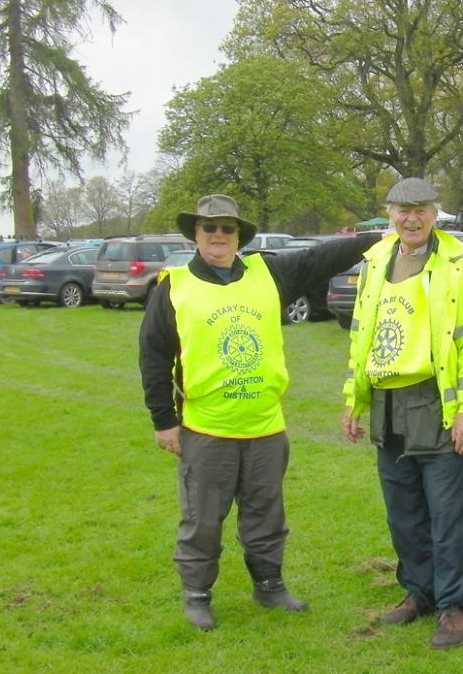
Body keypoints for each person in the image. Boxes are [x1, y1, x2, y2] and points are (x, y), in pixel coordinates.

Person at [139, 194, 375, 631]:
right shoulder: (174, 287)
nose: (218, 236)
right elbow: (154, 357)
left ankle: (269, 586)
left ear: (238, 236)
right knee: (203, 519)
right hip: (207, 428)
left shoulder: (269, 274)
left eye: (227, 228)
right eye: (209, 228)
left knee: (266, 514)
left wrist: (381, 237)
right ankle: (197, 595)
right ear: (196, 233)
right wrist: (163, 420)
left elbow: (321, 257)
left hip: (266, 426)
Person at [341, 177, 463, 651]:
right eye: (402, 210)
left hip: (434, 402)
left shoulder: (459, 269)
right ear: (389, 213)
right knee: (404, 513)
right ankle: (419, 594)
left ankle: (452, 606)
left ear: (435, 214)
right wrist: (355, 398)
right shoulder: (374, 263)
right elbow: (360, 337)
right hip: (387, 404)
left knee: (447, 513)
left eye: (421, 210)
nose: (411, 219)